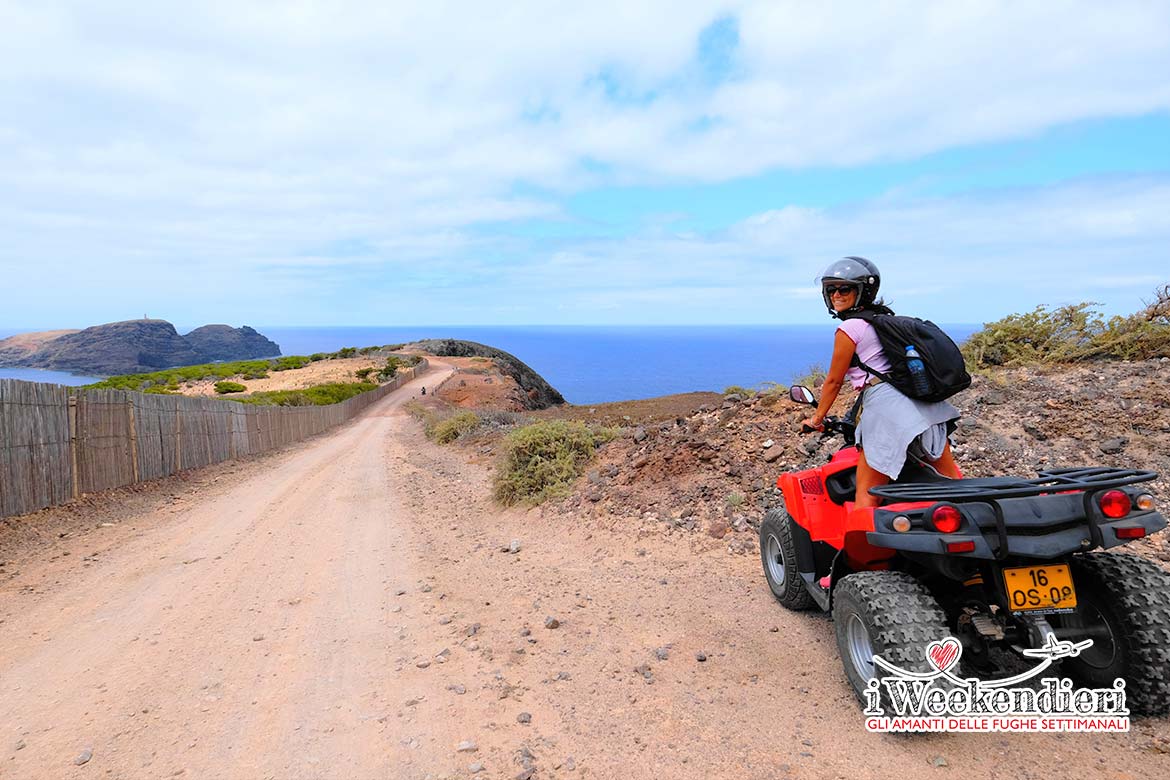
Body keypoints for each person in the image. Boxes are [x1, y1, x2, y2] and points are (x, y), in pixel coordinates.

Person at [799, 257, 961, 508]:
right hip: (924, 404)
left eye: (845, 289)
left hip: (886, 409)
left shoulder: (850, 329)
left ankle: (865, 546)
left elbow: (833, 381)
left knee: (868, 493)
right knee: (954, 484)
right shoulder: (881, 320)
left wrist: (816, 419)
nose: (836, 295)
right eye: (832, 290)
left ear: (862, 291)